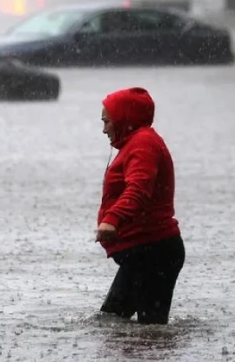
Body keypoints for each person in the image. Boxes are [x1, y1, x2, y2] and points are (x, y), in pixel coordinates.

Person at [95, 87, 185, 325]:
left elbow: (138, 189)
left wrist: (112, 219)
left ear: (123, 118)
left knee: (151, 331)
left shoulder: (143, 144)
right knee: (111, 323)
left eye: (107, 122)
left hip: (154, 251)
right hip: (143, 252)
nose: (103, 129)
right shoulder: (136, 143)